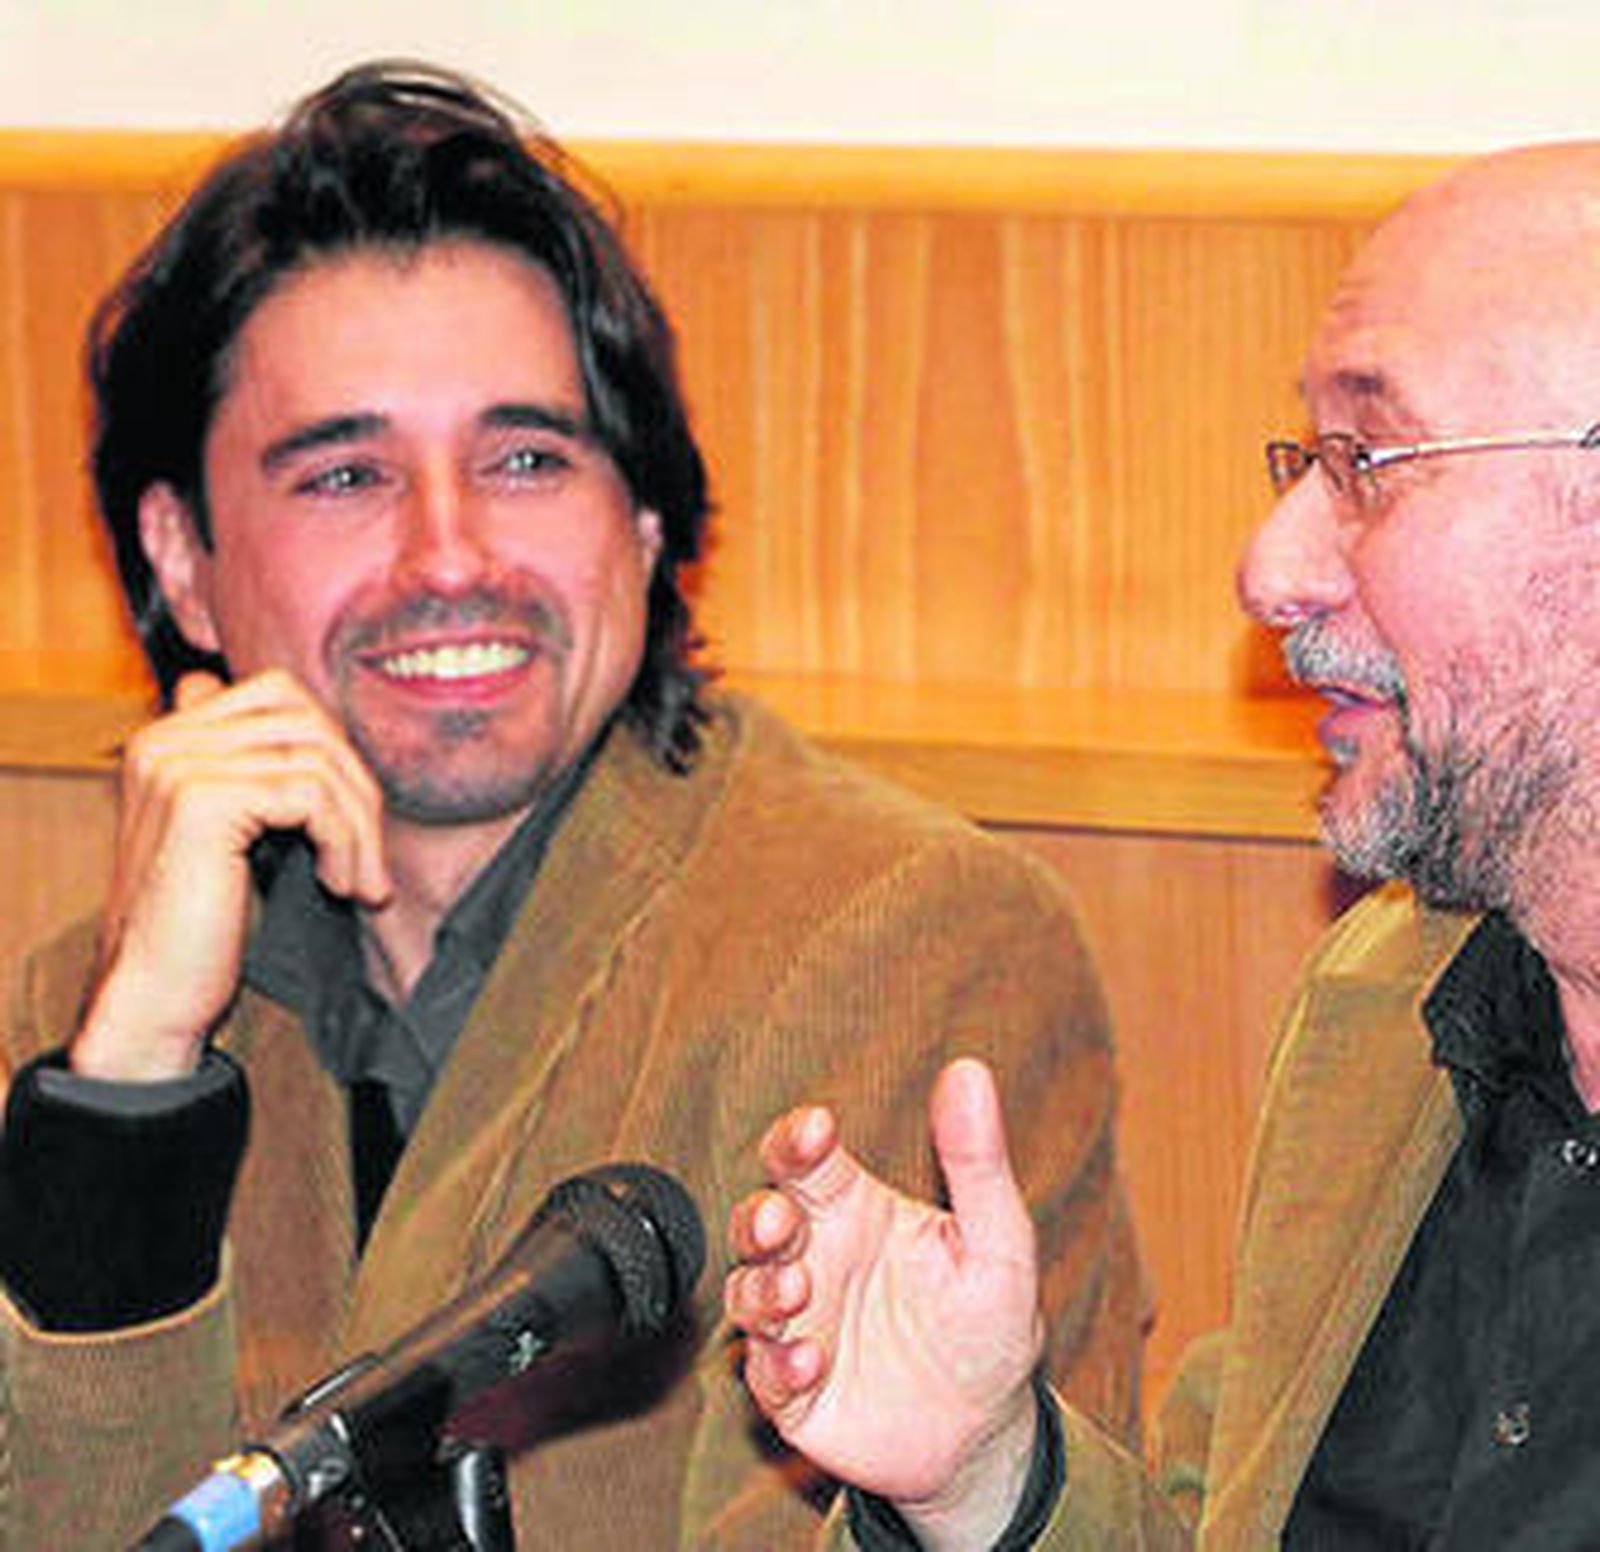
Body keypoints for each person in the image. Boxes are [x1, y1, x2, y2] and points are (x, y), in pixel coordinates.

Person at [0, 60, 1147, 1550]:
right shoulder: (91, 1013)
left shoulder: (899, 939)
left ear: (649, 520)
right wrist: (136, 1098)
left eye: (528, 457)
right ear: (182, 559)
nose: (451, 552)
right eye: (346, 472)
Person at [727, 140, 1600, 1549]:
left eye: (1368, 463)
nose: (1271, 569)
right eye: (1306, 462)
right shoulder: (1382, 1011)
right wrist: (984, 1481)